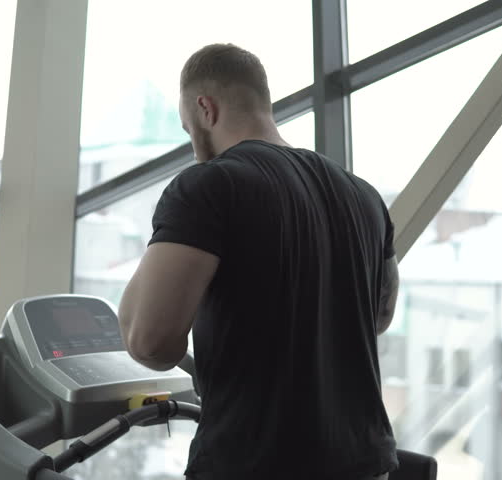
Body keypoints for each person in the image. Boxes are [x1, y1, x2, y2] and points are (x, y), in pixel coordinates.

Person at [117, 43, 400, 480]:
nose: (193, 145)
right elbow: (379, 316)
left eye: (188, 128)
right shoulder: (363, 196)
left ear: (205, 109)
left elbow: (149, 342)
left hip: (256, 463)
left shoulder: (209, 185)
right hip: (365, 463)